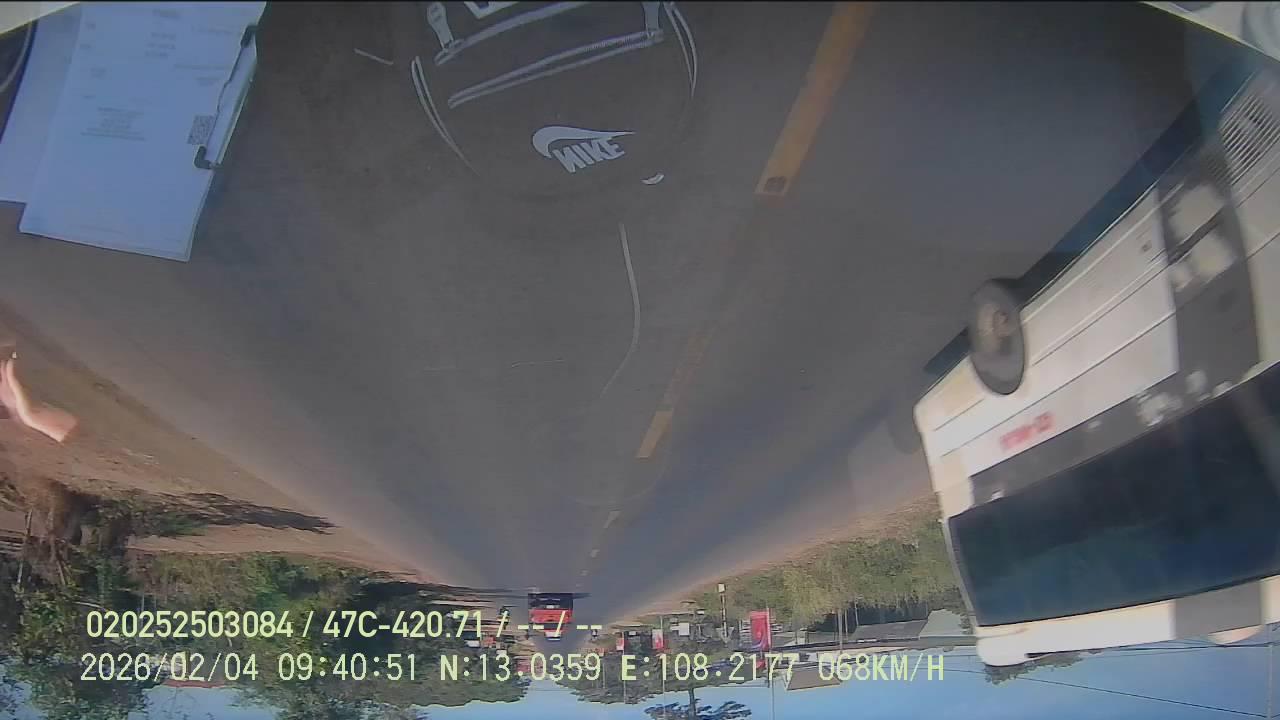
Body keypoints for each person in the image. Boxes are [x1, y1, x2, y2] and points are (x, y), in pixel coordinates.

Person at [0, 346, 78, 443]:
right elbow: (13, 380)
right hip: (66, 429)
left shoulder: (27, 415)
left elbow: (12, 380)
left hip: (64, 429)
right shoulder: (28, 415)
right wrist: (12, 360)